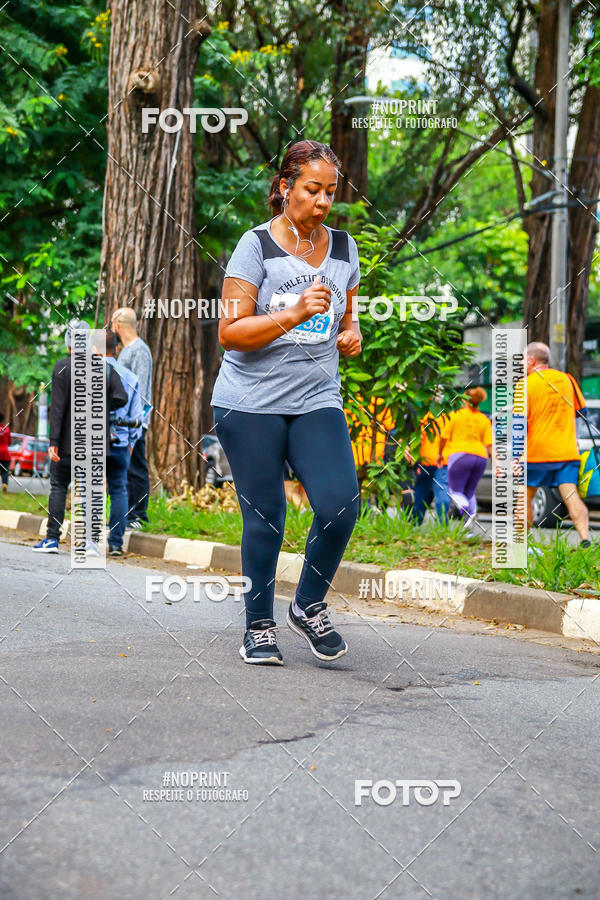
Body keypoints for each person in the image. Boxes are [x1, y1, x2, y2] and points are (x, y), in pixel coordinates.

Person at [211, 139, 362, 666]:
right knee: (267, 513)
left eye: (330, 192)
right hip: (250, 401)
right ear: (285, 187)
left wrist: (352, 334)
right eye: (312, 189)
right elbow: (231, 333)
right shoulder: (255, 246)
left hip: (316, 395)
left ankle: (308, 603)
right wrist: (295, 313)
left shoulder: (343, 247)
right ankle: (258, 624)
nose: (322, 201)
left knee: (341, 504)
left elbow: (349, 315)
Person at [33, 321, 127, 553]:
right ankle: (91, 543)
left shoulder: (63, 367)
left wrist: (53, 442)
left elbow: (58, 408)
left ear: (69, 345)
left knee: (58, 487)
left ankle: (52, 539)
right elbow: (121, 397)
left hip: (66, 444)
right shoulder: (105, 368)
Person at [514, 341, 591, 546]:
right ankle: (585, 538)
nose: (521, 363)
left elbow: (519, 425)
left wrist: (515, 456)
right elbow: (582, 414)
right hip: (566, 453)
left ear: (531, 361)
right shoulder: (567, 380)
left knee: (524, 497)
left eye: (522, 359)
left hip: (536, 453)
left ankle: (521, 544)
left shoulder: (524, 385)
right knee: (571, 495)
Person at [100, 329, 144, 556]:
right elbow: (138, 416)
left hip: (95, 442)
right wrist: (130, 442)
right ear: (116, 349)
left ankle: (88, 541)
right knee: (119, 489)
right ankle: (116, 542)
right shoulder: (130, 377)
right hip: (121, 443)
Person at [110, 307, 153, 528]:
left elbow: (142, 391)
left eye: (111, 324)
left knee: (136, 466)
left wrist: (138, 423)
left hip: (135, 421)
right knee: (123, 468)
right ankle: (124, 515)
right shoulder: (124, 351)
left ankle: (139, 514)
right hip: (121, 422)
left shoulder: (140, 351)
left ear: (118, 324)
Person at [437, 387, 493, 537]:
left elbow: (443, 437)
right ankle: (469, 530)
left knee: (454, 491)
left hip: (460, 456)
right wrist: (498, 463)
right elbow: (490, 444)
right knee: (469, 492)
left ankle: (465, 508)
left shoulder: (455, 415)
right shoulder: (483, 419)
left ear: (465, 401)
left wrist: (439, 454)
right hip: (481, 457)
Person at [411, 410, 451, 525]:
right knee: (438, 492)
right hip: (441, 461)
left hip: (429, 461)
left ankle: (415, 524)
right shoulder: (448, 417)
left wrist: (416, 462)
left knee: (422, 494)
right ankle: (441, 525)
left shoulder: (424, 417)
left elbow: (417, 441)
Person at [0, 411, 11, 492]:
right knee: (5, 471)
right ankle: (4, 484)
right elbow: (9, 441)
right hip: (5, 454)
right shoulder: (6, 429)